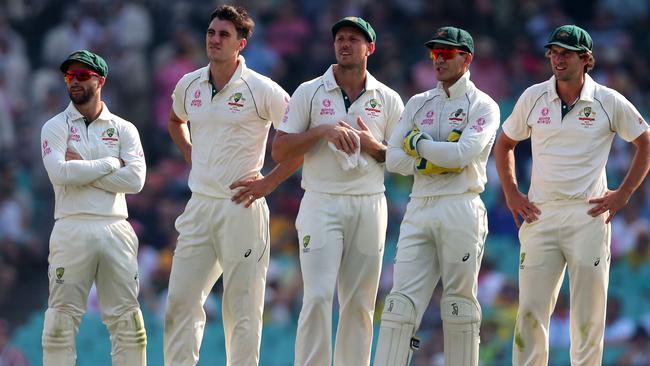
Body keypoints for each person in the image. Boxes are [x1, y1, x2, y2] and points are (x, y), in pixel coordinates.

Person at [493, 25, 650, 365]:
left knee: (588, 316)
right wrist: (511, 193)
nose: (558, 59)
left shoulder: (608, 100)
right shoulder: (533, 96)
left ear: (586, 58)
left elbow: (645, 142)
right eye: (553, 52)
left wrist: (623, 194)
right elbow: (504, 142)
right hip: (540, 213)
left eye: (566, 53)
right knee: (531, 312)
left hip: (588, 214)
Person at [163, 5, 301, 366]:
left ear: (241, 44)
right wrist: (191, 152)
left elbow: (300, 141)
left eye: (224, 35)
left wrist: (269, 182)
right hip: (199, 205)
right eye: (211, 33)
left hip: (242, 204)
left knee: (242, 307)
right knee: (180, 301)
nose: (214, 40)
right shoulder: (189, 83)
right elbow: (175, 120)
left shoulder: (263, 89)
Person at [272, 16, 404, 366]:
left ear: (370, 48)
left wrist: (372, 146)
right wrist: (322, 132)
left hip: (369, 203)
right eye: (340, 38)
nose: (345, 44)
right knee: (316, 296)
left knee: (360, 302)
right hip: (321, 201)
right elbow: (280, 150)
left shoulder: (388, 99)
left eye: (354, 39)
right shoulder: (309, 91)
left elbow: (404, 163)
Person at [374, 27, 499, 366]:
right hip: (420, 207)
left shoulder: (484, 105)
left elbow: (462, 155)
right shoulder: (418, 102)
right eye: (435, 54)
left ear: (466, 58)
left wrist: (419, 144)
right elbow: (395, 160)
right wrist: (437, 157)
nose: (439, 60)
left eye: (447, 54)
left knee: (458, 303)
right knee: (399, 303)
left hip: (461, 204)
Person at [40, 50, 147, 365]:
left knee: (127, 320)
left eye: (82, 76)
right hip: (71, 225)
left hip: (116, 226)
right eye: (69, 76)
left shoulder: (124, 128)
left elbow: (136, 180)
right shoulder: (55, 126)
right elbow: (60, 173)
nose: (74, 81)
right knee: (60, 319)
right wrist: (112, 163)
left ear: (100, 81)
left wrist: (85, 169)